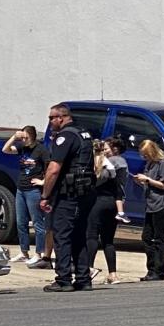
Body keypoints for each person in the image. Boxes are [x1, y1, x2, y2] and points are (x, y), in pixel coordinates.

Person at [39, 103, 96, 292]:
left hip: (69, 193)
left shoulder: (65, 136)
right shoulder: (84, 133)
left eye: (51, 118)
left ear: (61, 118)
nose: (50, 122)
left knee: (62, 235)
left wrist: (45, 195)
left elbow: (54, 169)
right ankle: (83, 278)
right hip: (85, 192)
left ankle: (63, 279)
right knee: (79, 235)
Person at [2, 126, 50, 269]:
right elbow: (5, 149)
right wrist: (14, 137)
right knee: (20, 221)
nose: (23, 140)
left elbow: (51, 167)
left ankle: (39, 253)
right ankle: (24, 252)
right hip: (21, 189)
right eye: (21, 138)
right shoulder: (23, 149)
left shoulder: (41, 150)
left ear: (32, 136)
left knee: (37, 222)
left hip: (33, 190)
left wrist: (43, 181)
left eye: (25, 138)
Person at [86, 137, 129, 285]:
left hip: (98, 201)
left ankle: (89, 269)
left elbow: (98, 178)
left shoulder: (108, 162)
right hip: (113, 203)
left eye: (106, 148)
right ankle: (113, 274)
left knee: (91, 236)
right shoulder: (120, 164)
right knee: (108, 240)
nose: (104, 151)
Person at [135, 139, 164, 281]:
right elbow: (150, 184)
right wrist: (141, 182)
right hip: (151, 204)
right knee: (146, 237)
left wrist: (147, 180)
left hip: (162, 204)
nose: (144, 158)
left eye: (146, 154)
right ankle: (151, 269)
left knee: (159, 238)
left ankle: (160, 271)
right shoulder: (150, 164)